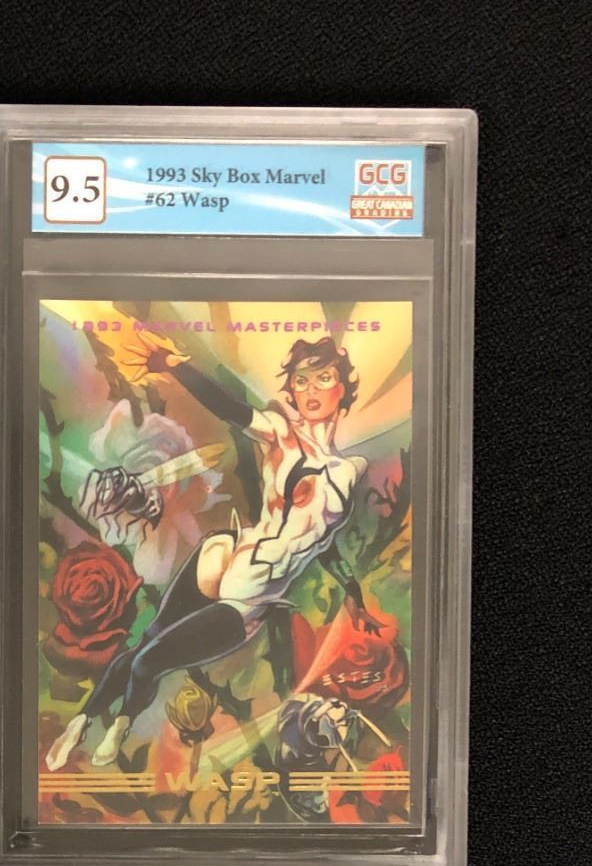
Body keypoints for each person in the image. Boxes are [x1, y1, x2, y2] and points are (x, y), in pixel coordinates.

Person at [47, 330, 379, 772]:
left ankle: (120, 724)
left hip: (250, 594)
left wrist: (353, 592)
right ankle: (82, 722)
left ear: (343, 386)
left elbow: (320, 540)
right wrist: (172, 365)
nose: (311, 389)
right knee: (148, 640)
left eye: (323, 377)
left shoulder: (349, 470)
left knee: (148, 662)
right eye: (301, 380)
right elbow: (230, 408)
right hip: (224, 554)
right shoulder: (281, 434)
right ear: (291, 390)